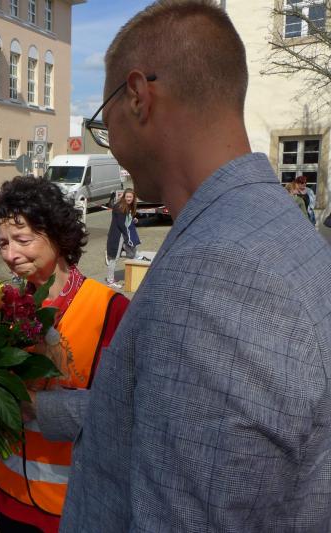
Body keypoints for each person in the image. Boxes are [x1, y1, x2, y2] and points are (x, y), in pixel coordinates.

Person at [52, 2, 331, 531]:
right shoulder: (277, 228)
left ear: (138, 96)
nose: (109, 139)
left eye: (104, 122)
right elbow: (158, 413)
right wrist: (39, 409)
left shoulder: (215, 274)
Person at [0, 176, 129, 533]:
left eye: (22, 239)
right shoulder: (2, 308)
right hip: (11, 496)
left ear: (58, 235)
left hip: (74, 505)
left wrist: (34, 404)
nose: (10, 254)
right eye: (3, 243)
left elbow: (123, 413)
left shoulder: (110, 309)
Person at [105, 188, 145, 289]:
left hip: (123, 234)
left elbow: (127, 219)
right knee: (114, 258)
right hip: (117, 235)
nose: (129, 199)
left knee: (132, 253)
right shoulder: (119, 207)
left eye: (130, 197)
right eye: (127, 197)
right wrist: (130, 238)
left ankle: (130, 254)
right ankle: (110, 281)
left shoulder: (128, 206)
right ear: (124, 197)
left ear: (133, 198)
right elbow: (122, 225)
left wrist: (133, 219)